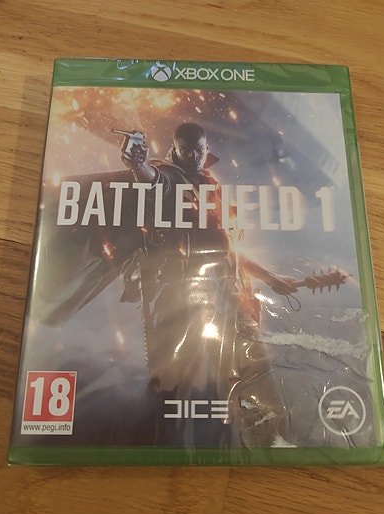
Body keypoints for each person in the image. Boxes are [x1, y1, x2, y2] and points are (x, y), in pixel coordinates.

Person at [120, 122, 296, 447]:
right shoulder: (171, 177)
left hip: (228, 294)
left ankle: (271, 438)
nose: (195, 156)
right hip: (185, 299)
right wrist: (137, 164)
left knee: (253, 361)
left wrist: (272, 279)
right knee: (180, 383)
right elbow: (154, 179)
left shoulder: (211, 186)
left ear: (206, 147)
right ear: (176, 149)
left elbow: (228, 248)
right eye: (187, 151)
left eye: (200, 150)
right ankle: (170, 444)